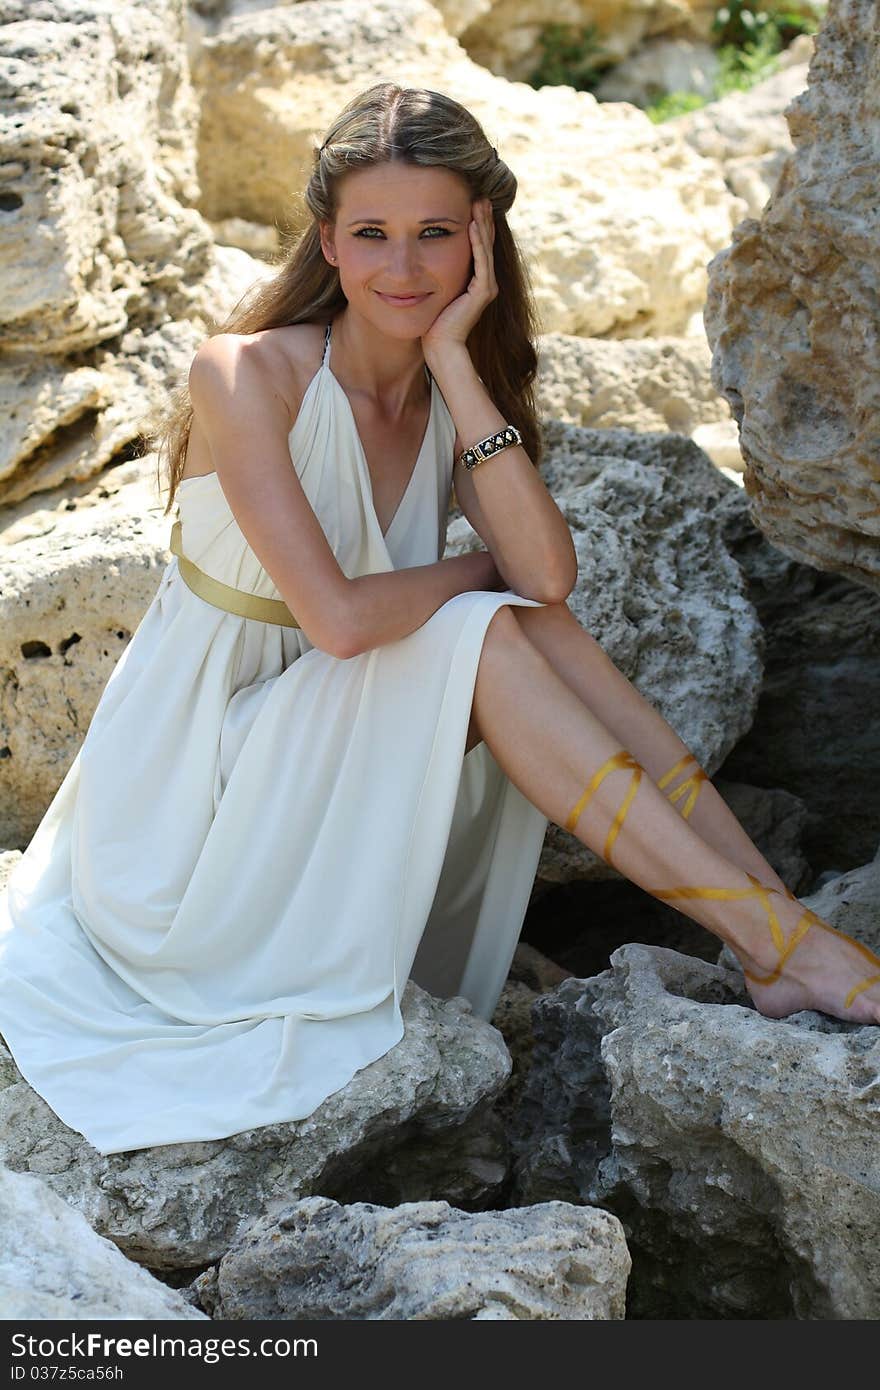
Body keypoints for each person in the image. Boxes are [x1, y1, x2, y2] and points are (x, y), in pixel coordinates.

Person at [0, 83, 877, 1159]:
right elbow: (334, 619)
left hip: (304, 755)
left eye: (434, 235)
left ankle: (770, 927)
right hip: (189, 804)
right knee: (489, 623)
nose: (402, 269)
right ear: (326, 239)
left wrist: (460, 368)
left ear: (482, 240)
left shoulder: (444, 391)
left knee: (524, 623)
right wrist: (474, 574)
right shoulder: (245, 373)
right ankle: (773, 940)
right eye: (370, 234)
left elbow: (547, 579)